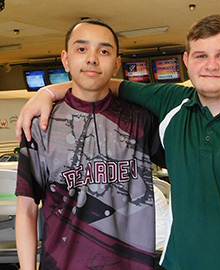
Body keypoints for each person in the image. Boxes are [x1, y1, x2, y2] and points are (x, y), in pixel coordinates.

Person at [17, 14, 220, 270]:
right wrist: (47, 93)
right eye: (201, 56)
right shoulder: (171, 105)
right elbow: (98, 83)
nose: (211, 65)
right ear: (186, 61)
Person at [15, 19, 165, 270]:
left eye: (104, 51)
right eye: (81, 49)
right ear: (65, 59)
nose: (92, 58)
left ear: (117, 63)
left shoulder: (141, 120)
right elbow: (27, 209)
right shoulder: (41, 125)